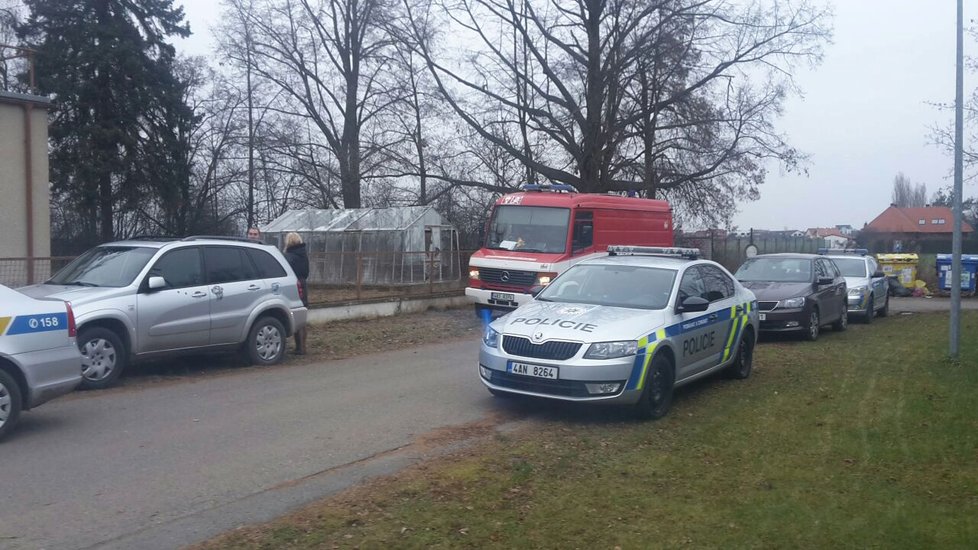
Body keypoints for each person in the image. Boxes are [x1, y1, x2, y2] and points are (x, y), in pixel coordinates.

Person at [283, 232, 309, 354]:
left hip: (293, 286)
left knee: (294, 314)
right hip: (303, 284)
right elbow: (306, 272)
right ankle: (302, 347)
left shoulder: (288, 256)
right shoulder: (303, 255)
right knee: (302, 316)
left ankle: (298, 347)